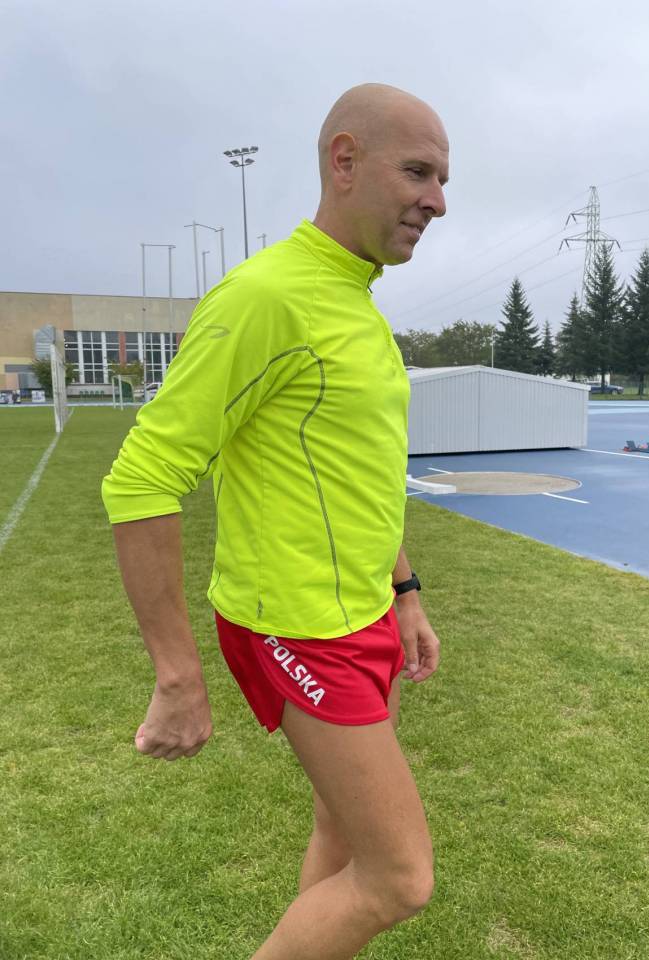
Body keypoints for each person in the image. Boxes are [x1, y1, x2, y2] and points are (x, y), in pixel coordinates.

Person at [102, 82, 449, 960]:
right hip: (298, 627)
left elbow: (360, 476)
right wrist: (176, 675)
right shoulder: (266, 297)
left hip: (363, 614)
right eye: (418, 172)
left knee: (342, 835)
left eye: (443, 181)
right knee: (399, 878)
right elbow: (142, 477)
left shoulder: (355, 302)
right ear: (344, 160)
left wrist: (405, 592)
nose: (437, 201)